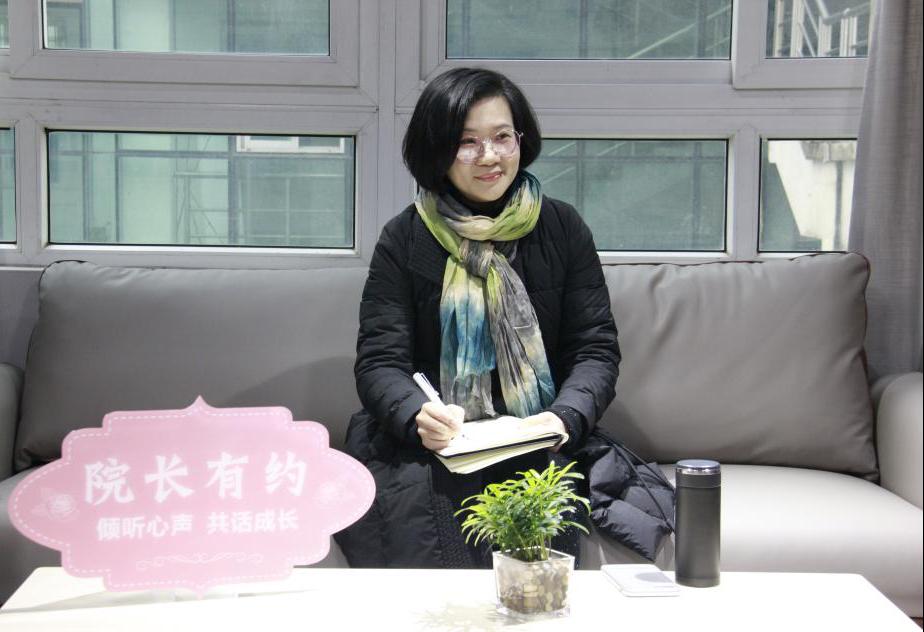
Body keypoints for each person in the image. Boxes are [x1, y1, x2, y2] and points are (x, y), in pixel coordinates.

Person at [334, 67, 620, 568]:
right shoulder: (405, 237)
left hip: (540, 428)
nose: (489, 156)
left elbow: (594, 349)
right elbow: (379, 361)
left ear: (521, 140)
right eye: (467, 142)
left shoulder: (562, 228)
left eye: (502, 137)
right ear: (437, 150)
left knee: (542, 523)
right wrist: (415, 415)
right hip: (436, 439)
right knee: (426, 525)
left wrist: (564, 416)